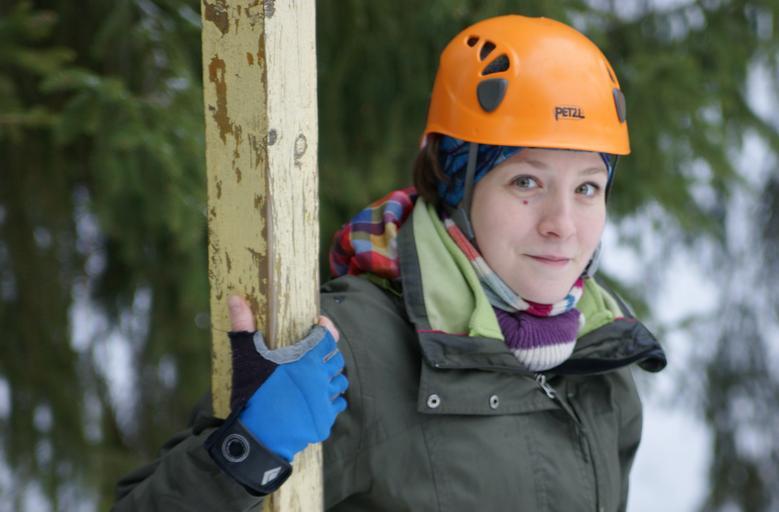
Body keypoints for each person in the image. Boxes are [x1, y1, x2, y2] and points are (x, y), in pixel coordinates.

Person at [112, 14, 666, 512]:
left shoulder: (603, 358)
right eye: (526, 181)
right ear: (456, 184)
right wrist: (247, 450)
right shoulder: (342, 353)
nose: (562, 224)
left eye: (588, 187)